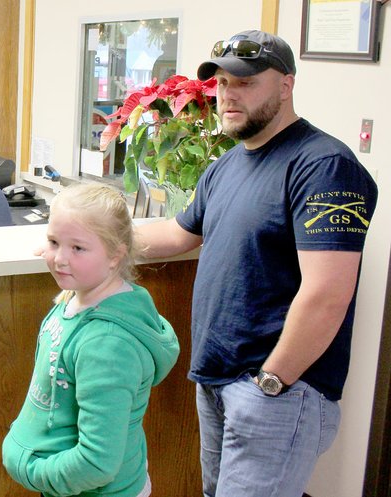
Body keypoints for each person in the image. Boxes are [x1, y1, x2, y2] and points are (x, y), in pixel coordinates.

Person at [136, 30, 378, 497]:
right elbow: (178, 234)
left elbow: (327, 293)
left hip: (276, 390)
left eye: (245, 83)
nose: (228, 94)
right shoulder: (228, 165)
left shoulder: (324, 165)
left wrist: (271, 383)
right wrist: (94, 238)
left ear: (286, 85)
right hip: (219, 378)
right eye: (223, 83)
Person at [2, 183, 180, 497]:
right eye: (54, 242)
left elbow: (97, 463)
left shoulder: (108, 346)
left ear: (115, 256)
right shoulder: (80, 295)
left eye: (78, 248)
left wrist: (32, 470)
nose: (59, 259)